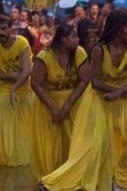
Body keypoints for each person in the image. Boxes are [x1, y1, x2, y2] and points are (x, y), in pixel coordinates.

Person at [41, 9, 127, 191]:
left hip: (122, 103)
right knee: (98, 147)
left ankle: (120, 179)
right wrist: (116, 91)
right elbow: (94, 81)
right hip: (99, 103)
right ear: (117, 27)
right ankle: (92, 187)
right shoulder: (99, 50)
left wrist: (119, 93)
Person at [30, 22, 90, 180]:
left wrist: (67, 105)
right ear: (63, 40)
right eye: (73, 37)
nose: (78, 39)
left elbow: (84, 80)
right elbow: (35, 83)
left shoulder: (80, 53)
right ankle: (49, 178)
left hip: (74, 101)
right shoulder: (44, 56)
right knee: (50, 143)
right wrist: (53, 108)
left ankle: (72, 175)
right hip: (48, 103)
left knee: (73, 140)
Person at [0, 14, 33, 167]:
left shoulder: (22, 42)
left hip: (23, 91)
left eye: (4, 29)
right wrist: (12, 75)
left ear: (11, 29)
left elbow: (27, 72)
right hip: (3, 93)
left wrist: (13, 86)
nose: (1, 33)